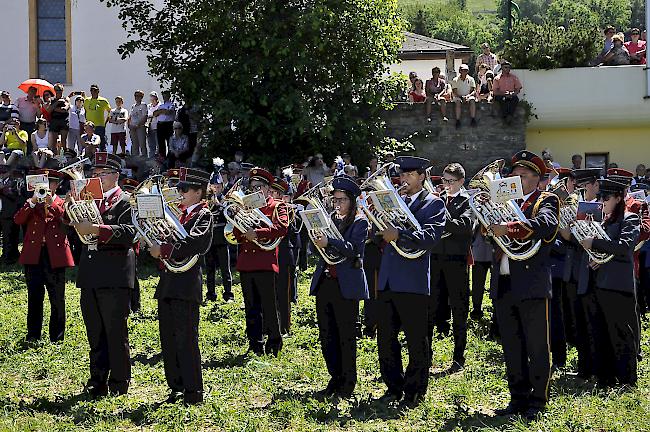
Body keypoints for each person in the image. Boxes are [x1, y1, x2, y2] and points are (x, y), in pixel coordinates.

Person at [488, 150, 559, 420]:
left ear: (537, 180)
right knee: (512, 344)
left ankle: (537, 401)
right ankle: (517, 398)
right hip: (504, 282)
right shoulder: (503, 202)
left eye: (523, 175)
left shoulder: (546, 199)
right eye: (514, 174)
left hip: (531, 282)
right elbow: (487, 235)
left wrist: (510, 227)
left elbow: (546, 225)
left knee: (537, 345)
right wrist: (488, 223)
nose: (517, 178)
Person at [375, 156, 445, 407]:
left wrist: (401, 233)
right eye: (401, 175)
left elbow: (430, 237)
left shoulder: (434, 204)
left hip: (413, 280)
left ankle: (415, 390)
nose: (403, 179)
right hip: (388, 278)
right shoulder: (396, 202)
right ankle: (393, 386)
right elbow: (377, 236)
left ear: (422, 176)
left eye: (410, 175)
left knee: (416, 339)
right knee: (385, 338)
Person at [69, 152, 137, 398]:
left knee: (115, 333)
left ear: (116, 176)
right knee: (95, 332)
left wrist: (99, 229)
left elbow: (131, 232)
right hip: (90, 274)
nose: (96, 178)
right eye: (94, 174)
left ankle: (120, 382)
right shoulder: (90, 200)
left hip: (115, 274)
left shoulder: (127, 201)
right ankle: (97, 380)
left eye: (102, 174)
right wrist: (73, 207)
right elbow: (72, 224)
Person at [148, 167, 213, 405]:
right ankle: (175, 385)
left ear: (198, 192)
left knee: (186, 339)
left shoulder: (204, 216)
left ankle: (193, 391)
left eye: (184, 189)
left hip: (186, 283)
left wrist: (163, 249)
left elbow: (196, 243)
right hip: (169, 281)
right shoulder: (179, 214)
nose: (180, 192)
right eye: (179, 188)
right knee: (168, 338)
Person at [310, 175, 369, 398]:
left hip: (346, 286)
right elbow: (322, 248)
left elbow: (354, 250)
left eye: (342, 200)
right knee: (327, 334)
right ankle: (334, 378)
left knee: (346, 336)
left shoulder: (360, 222)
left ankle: (348, 383)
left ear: (352, 201)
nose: (337, 204)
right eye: (335, 200)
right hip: (326, 283)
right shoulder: (330, 219)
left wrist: (330, 241)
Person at [578, 179, 640, 387]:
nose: (601, 202)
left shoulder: (630, 219)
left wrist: (594, 243)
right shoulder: (603, 222)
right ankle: (606, 378)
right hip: (600, 284)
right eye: (601, 198)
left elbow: (624, 247)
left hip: (618, 285)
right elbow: (606, 250)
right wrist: (595, 255)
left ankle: (627, 380)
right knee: (602, 332)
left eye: (606, 198)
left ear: (619, 198)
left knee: (621, 333)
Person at [233, 167, 289, 356]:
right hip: (246, 262)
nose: (256, 190)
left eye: (259, 187)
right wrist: (238, 221)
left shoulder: (277, 206)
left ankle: (274, 343)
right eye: (253, 187)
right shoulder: (246, 207)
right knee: (251, 306)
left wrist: (257, 233)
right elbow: (236, 233)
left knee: (270, 305)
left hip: (266, 262)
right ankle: (255, 343)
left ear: (267, 188)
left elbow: (281, 228)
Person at [14, 168, 74, 342]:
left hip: (55, 255)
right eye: (44, 184)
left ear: (57, 185)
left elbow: (68, 221)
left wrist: (52, 203)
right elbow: (18, 220)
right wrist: (33, 202)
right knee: (34, 296)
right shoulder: (30, 203)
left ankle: (57, 336)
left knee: (57, 298)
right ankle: (33, 334)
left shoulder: (62, 202)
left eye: (50, 183)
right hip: (34, 255)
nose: (47, 187)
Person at [428, 163, 474, 372]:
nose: (445, 185)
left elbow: (463, 228)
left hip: (456, 261)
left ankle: (458, 358)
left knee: (459, 309)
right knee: (431, 307)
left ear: (461, 182)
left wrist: (440, 211)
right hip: (435, 258)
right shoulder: (436, 200)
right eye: (443, 180)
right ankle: (426, 356)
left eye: (450, 181)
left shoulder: (468, 202)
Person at [271, 177, 302, 335]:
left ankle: (285, 327)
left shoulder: (290, 211)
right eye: (273, 193)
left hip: (284, 255)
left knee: (284, 294)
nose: (275, 196)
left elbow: (291, 231)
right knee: (271, 294)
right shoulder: (268, 208)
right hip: (269, 256)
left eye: (278, 194)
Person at [204, 171, 234, 303]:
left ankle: (228, 294)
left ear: (222, 187)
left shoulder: (225, 200)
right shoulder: (205, 201)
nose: (216, 189)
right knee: (210, 269)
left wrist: (219, 205)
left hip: (222, 237)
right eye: (213, 186)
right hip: (209, 238)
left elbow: (230, 215)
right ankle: (211, 294)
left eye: (218, 186)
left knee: (225, 268)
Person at [0, 165, 27, 264]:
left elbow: (18, 197)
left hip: (10, 213)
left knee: (10, 237)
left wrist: (5, 190)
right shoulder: (3, 181)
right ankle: (5, 255)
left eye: (4, 172)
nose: (2, 174)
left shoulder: (14, 182)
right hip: (2, 212)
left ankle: (9, 257)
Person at [83, 84, 112, 151]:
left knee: (101, 142)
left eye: (95, 90)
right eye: (92, 90)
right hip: (89, 126)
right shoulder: (87, 100)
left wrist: (105, 122)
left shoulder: (103, 100)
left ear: (98, 91)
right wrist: (86, 122)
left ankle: (102, 157)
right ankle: (90, 157)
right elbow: (84, 111)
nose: (93, 92)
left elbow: (109, 111)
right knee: (89, 143)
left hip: (99, 125)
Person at [451, 64, 477, 128]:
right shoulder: (455, 80)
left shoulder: (471, 79)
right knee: (458, 103)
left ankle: (473, 119)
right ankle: (458, 120)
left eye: (466, 70)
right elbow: (454, 91)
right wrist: (461, 97)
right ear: (460, 71)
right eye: (462, 70)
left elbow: (473, 90)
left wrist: (468, 96)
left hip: (468, 96)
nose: (464, 72)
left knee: (472, 100)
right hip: (458, 96)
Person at [46, 83, 69, 152]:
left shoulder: (66, 99)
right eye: (56, 90)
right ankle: (54, 156)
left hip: (63, 120)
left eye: (59, 90)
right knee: (54, 141)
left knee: (63, 141)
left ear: (62, 90)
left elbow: (65, 109)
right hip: (54, 121)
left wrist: (54, 108)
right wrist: (57, 102)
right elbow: (49, 110)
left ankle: (65, 155)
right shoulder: (52, 100)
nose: (58, 91)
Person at [154, 90, 176, 157]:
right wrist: (161, 111)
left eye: (166, 96)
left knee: (169, 141)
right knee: (161, 142)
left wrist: (160, 112)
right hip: (160, 125)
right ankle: (162, 157)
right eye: (163, 96)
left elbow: (168, 112)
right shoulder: (161, 105)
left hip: (168, 124)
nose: (164, 97)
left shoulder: (172, 104)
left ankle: (170, 156)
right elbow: (155, 113)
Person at [128, 90, 148, 157]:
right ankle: (135, 159)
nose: (136, 97)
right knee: (134, 144)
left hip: (140, 127)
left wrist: (138, 125)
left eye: (138, 96)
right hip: (132, 127)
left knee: (142, 144)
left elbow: (145, 116)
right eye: (135, 96)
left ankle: (144, 158)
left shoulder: (143, 105)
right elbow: (130, 116)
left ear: (141, 97)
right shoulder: (133, 106)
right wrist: (129, 124)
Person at [147, 92, 161, 158]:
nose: (151, 98)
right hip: (150, 127)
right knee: (151, 145)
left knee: (158, 145)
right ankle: (151, 159)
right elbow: (147, 115)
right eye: (151, 97)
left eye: (153, 97)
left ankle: (159, 159)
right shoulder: (149, 106)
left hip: (157, 127)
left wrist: (151, 115)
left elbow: (157, 114)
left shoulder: (160, 105)